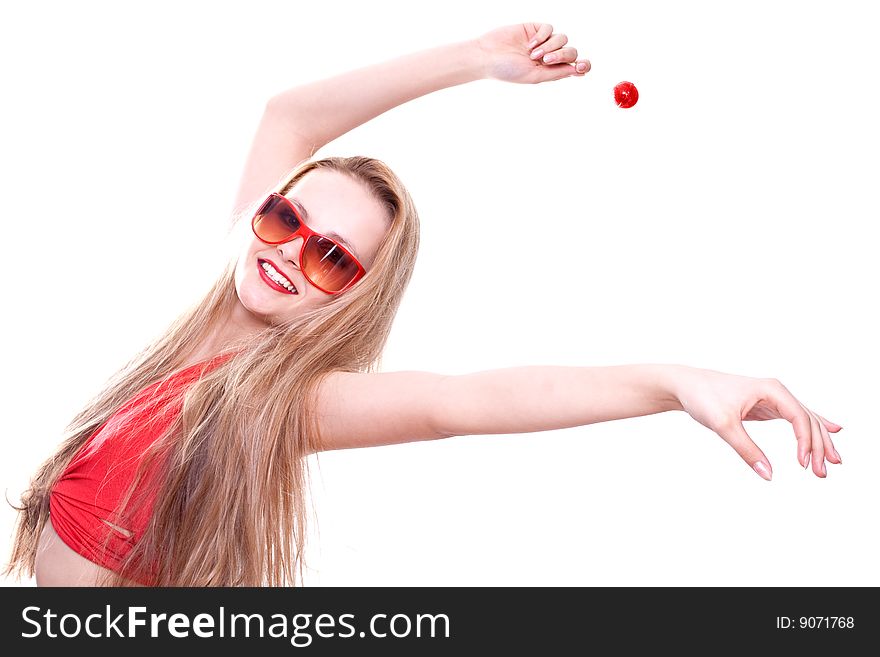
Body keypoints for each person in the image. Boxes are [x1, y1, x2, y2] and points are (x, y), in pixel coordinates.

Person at [5, 22, 842, 587]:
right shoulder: (205, 312)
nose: (292, 251)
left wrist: (675, 378)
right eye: (285, 217)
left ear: (350, 304)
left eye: (333, 257)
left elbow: (458, 402)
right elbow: (289, 115)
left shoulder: (278, 399)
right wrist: (481, 56)